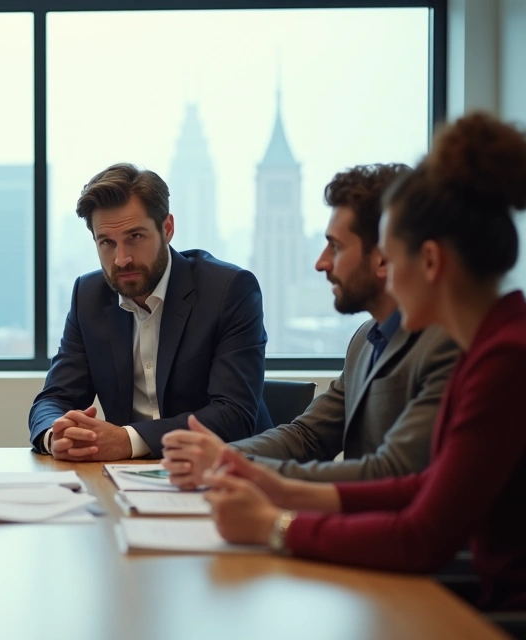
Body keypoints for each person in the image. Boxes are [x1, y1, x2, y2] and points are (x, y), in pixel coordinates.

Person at [204, 113, 526, 612]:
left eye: (392, 261)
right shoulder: (492, 344)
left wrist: (275, 524)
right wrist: (277, 484)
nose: (389, 281)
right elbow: (423, 486)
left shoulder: (505, 358)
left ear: (432, 263)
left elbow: (423, 535)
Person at [161, 164, 458, 486]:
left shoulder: (445, 343)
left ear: (384, 256)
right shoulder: (365, 339)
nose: (321, 263)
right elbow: (308, 436)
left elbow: (392, 471)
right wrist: (227, 458)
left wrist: (235, 466)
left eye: (337, 246)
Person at [30, 163, 272, 462]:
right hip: (124, 479)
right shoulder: (89, 295)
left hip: (225, 474)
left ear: (167, 229)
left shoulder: (229, 290)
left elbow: (233, 414)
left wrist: (128, 440)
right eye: (107, 242)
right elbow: (54, 399)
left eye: (135, 237)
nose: (121, 259)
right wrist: (58, 435)